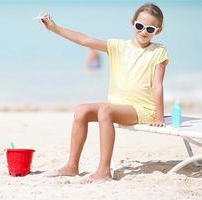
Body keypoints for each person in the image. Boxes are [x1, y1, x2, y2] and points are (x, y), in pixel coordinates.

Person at [40, 3, 169, 183]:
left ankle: (104, 171)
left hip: (143, 109)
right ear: (133, 23)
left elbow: (157, 85)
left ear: (158, 30)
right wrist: (54, 28)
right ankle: (72, 166)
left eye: (150, 28)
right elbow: (84, 40)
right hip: (118, 105)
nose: (143, 31)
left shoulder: (159, 51)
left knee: (105, 111)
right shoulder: (118, 46)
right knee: (81, 111)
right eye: (140, 26)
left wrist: (160, 117)